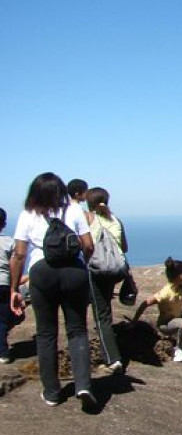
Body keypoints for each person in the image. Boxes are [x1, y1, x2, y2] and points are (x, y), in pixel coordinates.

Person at [9, 173, 96, 409]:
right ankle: (83, 385)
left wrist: (15, 289)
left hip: (42, 273)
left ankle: (52, 392)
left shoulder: (28, 214)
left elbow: (19, 254)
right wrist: (81, 265)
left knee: (46, 333)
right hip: (73, 273)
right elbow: (88, 245)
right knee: (77, 330)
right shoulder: (74, 211)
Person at [86, 187, 127, 374]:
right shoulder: (116, 220)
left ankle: (112, 358)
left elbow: (85, 245)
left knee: (101, 314)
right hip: (115, 271)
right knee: (105, 310)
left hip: (96, 271)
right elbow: (124, 247)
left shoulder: (88, 219)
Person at [131, 257, 182, 363]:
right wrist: (134, 321)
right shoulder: (166, 293)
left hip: (179, 316)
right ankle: (180, 348)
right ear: (181, 276)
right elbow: (146, 303)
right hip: (166, 323)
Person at [1, 207, 28, 364]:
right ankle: (3, 353)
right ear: (4, 224)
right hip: (4, 283)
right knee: (3, 318)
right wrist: (15, 289)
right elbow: (15, 267)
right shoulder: (10, 242)